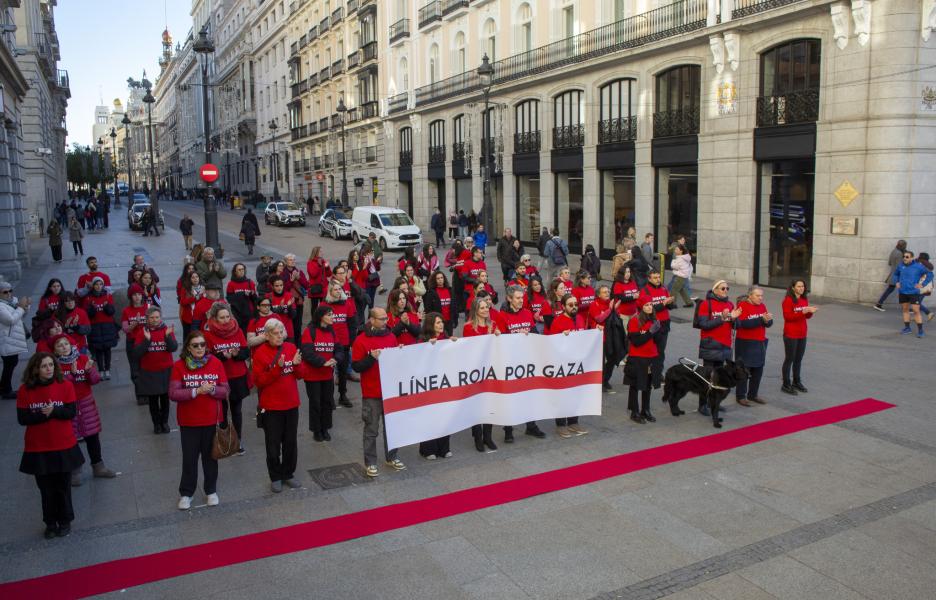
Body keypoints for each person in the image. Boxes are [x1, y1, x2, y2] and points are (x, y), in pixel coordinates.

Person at [17, 353, 85, 538]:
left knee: (63, 486)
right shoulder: (25, 390)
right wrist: (44, 414)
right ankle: (50, 523)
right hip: (38, 447)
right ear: (35, 369)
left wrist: (54, 411)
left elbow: (71, 412)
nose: (48, 369)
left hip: (62, 444)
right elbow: (22, 419)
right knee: (45, 489)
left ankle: (65, 520)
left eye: (51, 365)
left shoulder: (65, 385)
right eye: (44, 366)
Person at [169, 332, 229, 510]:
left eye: (202, 344)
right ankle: (186, 493)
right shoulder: (179, 366)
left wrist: (211, 391)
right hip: (189, 422)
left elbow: (225, 390)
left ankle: (211, 490)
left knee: (211, 458)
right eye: (195, 345)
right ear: (188, 347)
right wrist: (196, 391)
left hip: (211, 420)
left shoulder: (216, 363)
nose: (200, 348)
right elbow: (173, 393)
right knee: (189, 459)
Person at [52, 335, 116, 485]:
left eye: (66, 343)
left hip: (86, 404)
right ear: (55, 350)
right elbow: (58, 387)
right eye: (60, 345)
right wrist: (73, 376)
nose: (64, 347)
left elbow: (95, 380)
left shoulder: (82, 359)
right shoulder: (55, 365)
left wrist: (88, 371)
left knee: (92, 437)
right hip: (68, 406)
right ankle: (75, 471)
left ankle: (98, 467)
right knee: (72, 440)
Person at [351, 307, 404, 478]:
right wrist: (370, 358)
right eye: (381, 319)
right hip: (372, 393)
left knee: (393, 428)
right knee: (371, 429)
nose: (385, 322)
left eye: (386, 319)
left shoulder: (391, 336)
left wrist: (401, 351)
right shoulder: (360, 340)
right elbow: (356, 366)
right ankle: (371, 462)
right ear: (371, 320)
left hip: (390, 392)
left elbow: (397, 362)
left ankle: (392, 457)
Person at [253, 319, 304, 492]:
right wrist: (277, 369)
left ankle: (288, 473)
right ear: (266, 335)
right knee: (273, 444)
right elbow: (259, 381)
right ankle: (275, 476)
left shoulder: (290, 348)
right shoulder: (260, 353)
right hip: (272, 407)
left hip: (291, 404)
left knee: (290, 442)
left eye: (282, 332)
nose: (280, 335)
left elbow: (300, 375)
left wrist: (296, 365)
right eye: (276, 333)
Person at [203, 302, 251, 454]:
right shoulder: (208, 334)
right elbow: (205, 356)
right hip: (219, 378)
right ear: (215, 318)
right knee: (221, 410)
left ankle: (237, 441)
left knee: (237, 410)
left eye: (227, 317)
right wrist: (221, 356)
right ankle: (224, 440)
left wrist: (237, 354)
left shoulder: (237, 330)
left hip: (238, 375)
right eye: (221, 318)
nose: (225, 320)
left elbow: (246, 352)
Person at [130, 307, 178, 433]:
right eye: (152, 317)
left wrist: (168, 337)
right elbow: (136, 353)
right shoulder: (142, 332)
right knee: (153, 401)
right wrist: (147, 340)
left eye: (157, 317)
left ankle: (165, 422)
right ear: (147, 319)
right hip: (149, 372)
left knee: (165, 399)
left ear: (160, 317)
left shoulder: (166, 330)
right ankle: (156, 424)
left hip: (165, 371)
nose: (155, 320)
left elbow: (173, 348)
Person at [417, 313, 457, 460]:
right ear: (430, 325)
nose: (441, 325)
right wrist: (427, 348)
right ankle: (427, 449)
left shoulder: (446, 338)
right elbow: (418, 360)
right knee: (430, 416)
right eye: (438, 323)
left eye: (441, 322)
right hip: (430, 385)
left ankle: (444, 448)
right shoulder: (423, 340)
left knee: (445, 416)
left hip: (444, 383)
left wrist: (454, 344)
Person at [301, 305, 342, 442]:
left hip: (327, 375)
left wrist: (336, 358)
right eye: (329, 315)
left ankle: (325, 428)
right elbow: (307, 353)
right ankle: (316, 430)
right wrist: (323, 362)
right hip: (312, 375)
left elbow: (339, 349)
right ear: (321, 316)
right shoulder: (309, 331)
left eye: (333, 314)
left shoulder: (332, 331)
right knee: (315, 403)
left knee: (327, 402)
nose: (333, 317)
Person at [734, 287, 773, 407]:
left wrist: (767, 321)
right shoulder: (742, 306)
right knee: (744, 371)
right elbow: (742, 324)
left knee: (758, 370)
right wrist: (761, 320)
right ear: (750, 295)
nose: (760, 298)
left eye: (761, 296)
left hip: (760, 342)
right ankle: (741, 396)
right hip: (745, 342)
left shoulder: (762, 306)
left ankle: (753, 394)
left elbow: (769, 323)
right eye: (757, 296)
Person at [625, 298, 659, 424]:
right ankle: (635, 411)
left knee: (647, 386)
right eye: (646, 305)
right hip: (637, 357)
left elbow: (658, 341)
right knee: (635, 385)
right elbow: (636, 342)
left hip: (651, 357)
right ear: (641, 307)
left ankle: (646, 410)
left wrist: (660, 331)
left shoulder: (654, 320)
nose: (650, 307)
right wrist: (650, 332)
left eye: (651, 304)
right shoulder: (635, 320)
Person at [781, 279, 818, 395]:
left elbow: (807, 317)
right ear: (793, 288)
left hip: (802, 334)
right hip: (791, 334)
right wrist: (802, 312)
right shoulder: (787, 301)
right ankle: (786, 384)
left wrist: (810, 311)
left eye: (803, 286)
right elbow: (788, 317)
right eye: (799, 286)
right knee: (789, 359)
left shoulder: (803, 299)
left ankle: (796, 381)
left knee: (798, 359)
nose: (801, 288)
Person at [323, 279, 356, 407]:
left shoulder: (346, 303)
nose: (338, 291)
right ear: (330, 292)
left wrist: (352, 340)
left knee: (342, 372)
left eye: (339, 289)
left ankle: (343, 395)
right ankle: (329, 398)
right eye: (335, 289)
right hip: (328, 343)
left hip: (344, 343)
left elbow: (352, 323)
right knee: (328, 372)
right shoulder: (324, 305)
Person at [696, 280, 741, 369]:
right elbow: (704, 324)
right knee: (708, 376)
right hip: (711, 345)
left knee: (720, 377)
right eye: (723, 288)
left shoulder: (730, 304)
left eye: (727, 288)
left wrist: (734, 318)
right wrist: (722, 318)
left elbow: (737, 326)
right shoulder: (706, 304)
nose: (725, 290)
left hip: (725, 345)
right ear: (715, 290)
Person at [82, 278, 118, 380]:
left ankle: (107, 370)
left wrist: (106, 307)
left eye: (100, 284)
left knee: (107, 349)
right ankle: (101, 370)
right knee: (98, 349)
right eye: (96, 284)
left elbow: (111, 312)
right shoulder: (88, 298)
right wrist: (92, 308)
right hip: (95, 326)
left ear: (103, 285)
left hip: (107, 326)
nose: (98, 286)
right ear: (93, 285)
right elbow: (87, 314)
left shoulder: (107, 296)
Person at [0, 282, 30, 400]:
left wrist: (25, 306)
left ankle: (3, 386)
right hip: (6, 339)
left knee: (11, 363)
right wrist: (21, 307)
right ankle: (6, 390)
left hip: (12, 338)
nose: (9, 294)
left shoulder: (11, 302)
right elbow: (11, 320)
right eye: (5, 292)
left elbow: (21, 315)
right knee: (10, 364)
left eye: (10, 290)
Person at [893, 250, 933, 337]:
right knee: (905, 310)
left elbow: (930, 274)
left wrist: (922, 284)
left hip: (913, 292)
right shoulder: (900, 265)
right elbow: (895, 274)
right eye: (904, 256)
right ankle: (907, 328)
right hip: (903, 292)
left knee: (916, 311)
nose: (904, 258)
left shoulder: (918, 267)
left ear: (912, 258)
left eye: (907, 257)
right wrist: (896, 282)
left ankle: (920, 331)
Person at [873, 239, 907, 311]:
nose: (905, 247)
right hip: (898, 276)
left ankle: (879, 304)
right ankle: (907, 308)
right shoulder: (900, 254)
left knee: (891, 290)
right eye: (905, 246)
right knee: (905, 290)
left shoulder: (894, 251)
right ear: (903, 246)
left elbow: (890, 263)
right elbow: (900, 267)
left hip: (893, 274)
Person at [283, 253, 310, 338]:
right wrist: (291, 281)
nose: (293, 261)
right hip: (288, 302)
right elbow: (283, 289)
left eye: (294, 260)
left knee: (298, 325)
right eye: (290, 260)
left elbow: (306, 285)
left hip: (298, 301)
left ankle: (298, 345)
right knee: (289, 324)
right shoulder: (283, 273)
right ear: (286, 262)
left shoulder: (299, 272)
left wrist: (299, 278)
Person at [423, 270, 457, 335]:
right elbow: (428, 309)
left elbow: (454, 306)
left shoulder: (450, 290)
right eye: (438, 278)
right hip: (437, 323)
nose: (440, 280)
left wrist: (455, 319)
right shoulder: (431, 293)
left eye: (441, 278)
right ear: (434, 280)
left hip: (449, 321)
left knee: (449, 341)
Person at [306, 246, 331, 314]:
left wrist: (327, 267)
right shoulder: (310, 262)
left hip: (323, 288)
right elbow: (313, 274)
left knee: (324, 306)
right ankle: (315, 322)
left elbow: (329, 274)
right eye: (320, 251)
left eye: (322, 251)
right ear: (316, 252)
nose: (322, 253)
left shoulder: (323, 261)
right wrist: (320, 266)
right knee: (314, 307)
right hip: (315, 288)